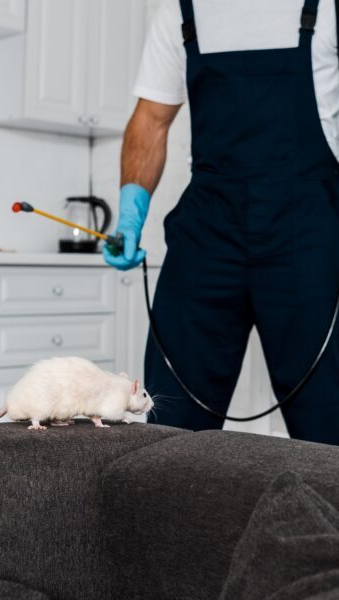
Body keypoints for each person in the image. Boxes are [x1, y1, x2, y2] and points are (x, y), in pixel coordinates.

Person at [103, 0, 339, 445]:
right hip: (208, 235)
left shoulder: (324, 7)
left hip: (308, 236)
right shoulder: (182, 10)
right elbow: (151, 120)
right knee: (170, 420)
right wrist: (131, 207)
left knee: (328, 420)